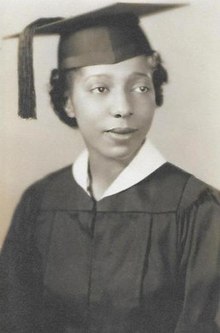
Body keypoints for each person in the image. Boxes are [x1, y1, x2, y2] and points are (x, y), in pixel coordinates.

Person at [0, 3, 220, 333]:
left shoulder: (198, 210)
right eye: (100, 88)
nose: (123, 108)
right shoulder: (41, 202)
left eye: (140, 87)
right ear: (68, 102)